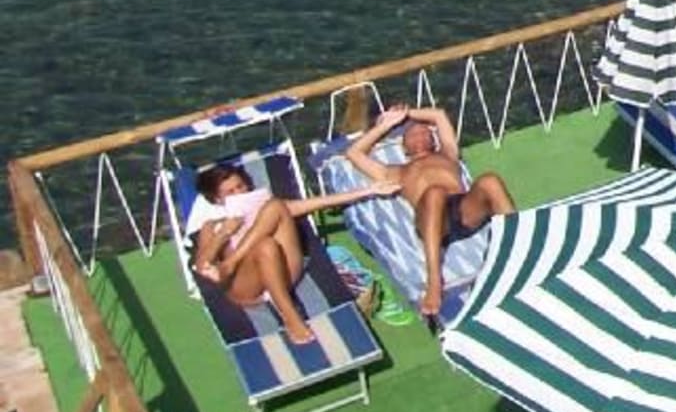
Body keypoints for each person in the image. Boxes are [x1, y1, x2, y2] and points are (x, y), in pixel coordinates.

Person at [189, 163, 396, 346]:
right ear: (218, 199)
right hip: (247, 287)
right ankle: (289, 314)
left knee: (273, 217)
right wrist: (224, 233)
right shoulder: (212, 225)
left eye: (241, 186)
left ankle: (233, 265)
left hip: (283, 274)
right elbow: (202, 265)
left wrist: (369, 190)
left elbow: (320, 202)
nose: (240, 193)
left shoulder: (266, 207)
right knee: (265, 243)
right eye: (230, 192)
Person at [345, 105, 516, 319]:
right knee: (435, 193)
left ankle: (516, 247)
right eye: (412, 134)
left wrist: (406, 114)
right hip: (431, 219)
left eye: (425, 133)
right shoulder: (395, 172)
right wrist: (387, 124)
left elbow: (438, 115)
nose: (420, 135)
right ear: (404, 147)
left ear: (434, 141)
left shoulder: (448, 154)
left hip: (463, 209)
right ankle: (434, 282)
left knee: (490, 180)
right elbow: (353, 153)